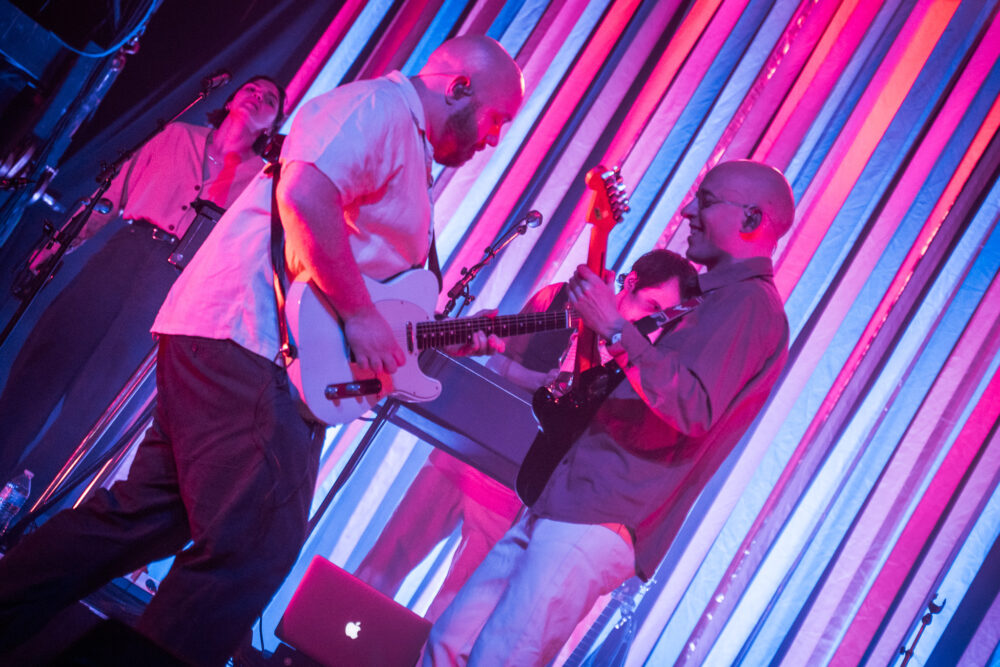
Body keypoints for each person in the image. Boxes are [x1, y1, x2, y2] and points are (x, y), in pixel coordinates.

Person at [0, 35, 524, 666]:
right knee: (251, 550)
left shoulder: (406, 146)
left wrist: (431, 332)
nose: (494, 139)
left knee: (142, 519)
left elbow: (375, 285)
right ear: (459, 88)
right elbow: (304, 196)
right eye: (497, 119)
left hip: (242, 343)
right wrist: (359, 314)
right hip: (253, 345)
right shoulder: (378, 109)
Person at [424, 159, 796, 666]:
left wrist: (616, 330)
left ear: (751, 218)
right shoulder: (708, 300)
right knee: (448, 643)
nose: (688, 210)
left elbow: (692, 405)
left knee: (499, 657)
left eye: (705, 201)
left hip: (603, 515)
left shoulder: (749, 305)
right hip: (566, 497)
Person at [355, 250, 698, 624]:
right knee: (380, 567)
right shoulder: (559, 299)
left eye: (662, 315)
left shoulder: (639, 356)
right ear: (630, 283)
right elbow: (497, 360)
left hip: (512, 488)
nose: (652, 321)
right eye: (652, 305)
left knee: (451, 614)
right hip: (464, 453)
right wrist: (541, 383)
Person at [0, 76, 286, 499]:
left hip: (171, 284)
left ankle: (23, 500)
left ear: (272, 124)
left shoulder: (259, 182)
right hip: (123, 254)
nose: (258, 96)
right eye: (252, 89)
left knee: (98, 395)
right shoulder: (176, 135)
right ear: (230, 99)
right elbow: (111, 195)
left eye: (271, 99)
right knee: (47, 359)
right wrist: (60, 244)